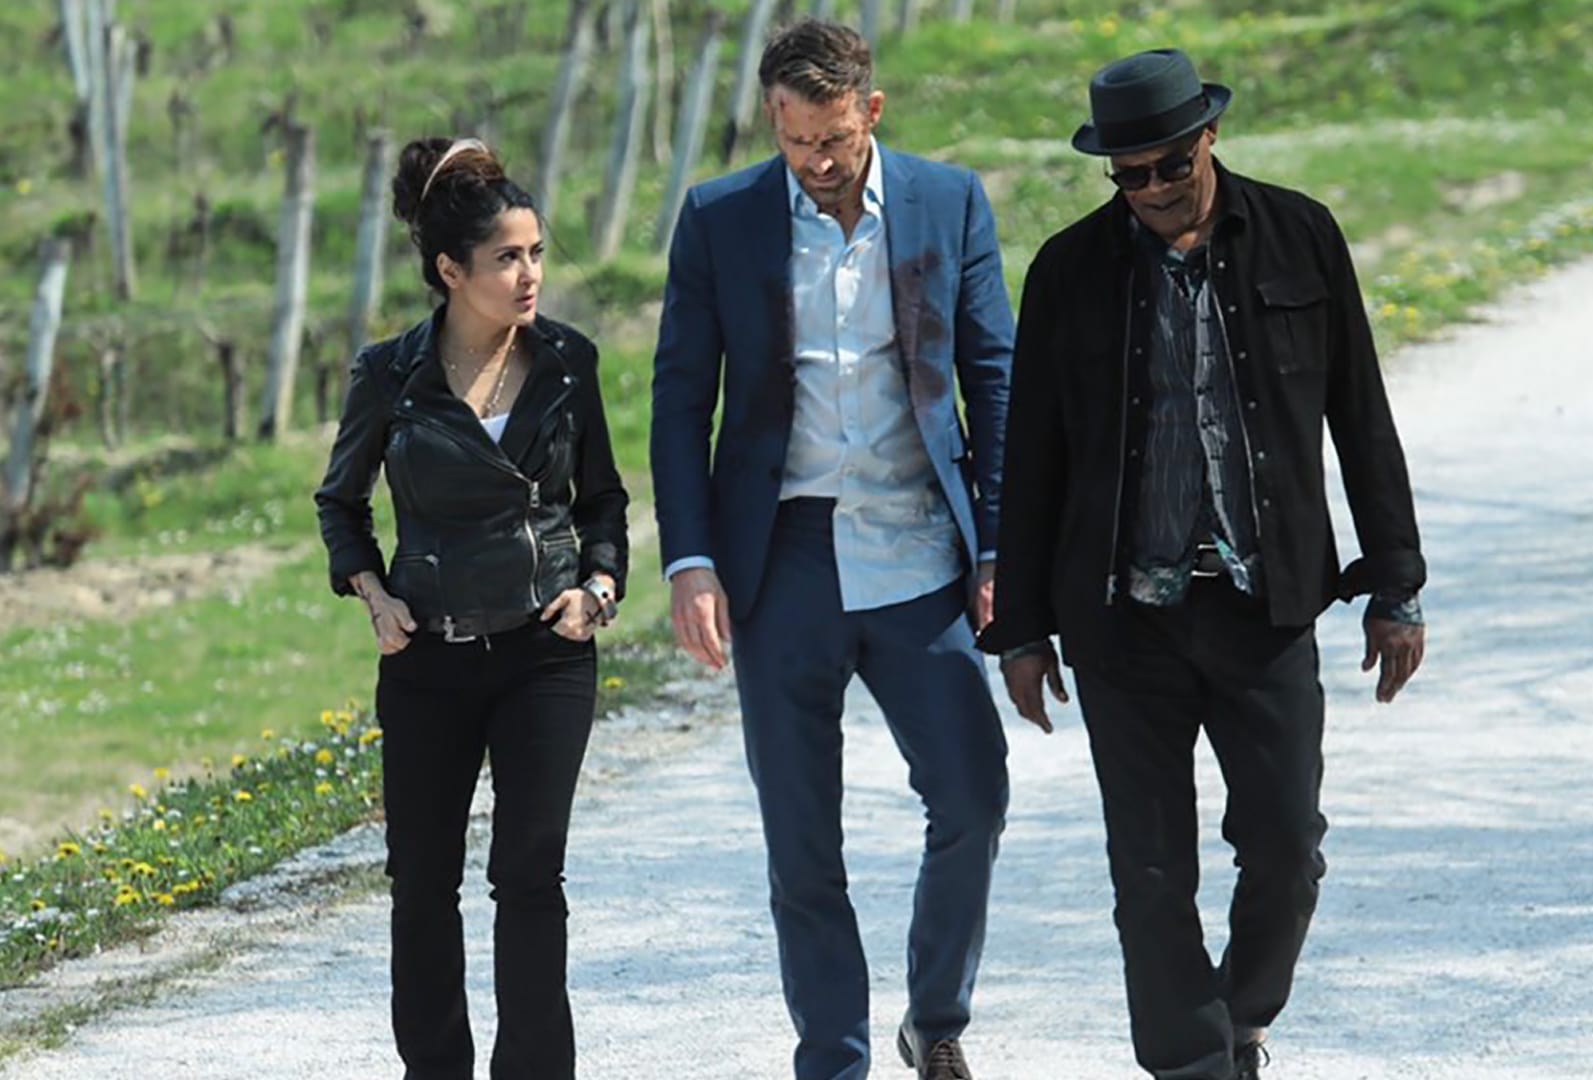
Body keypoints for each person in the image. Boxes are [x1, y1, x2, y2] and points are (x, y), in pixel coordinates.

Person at [978, 49, 1429, 1080]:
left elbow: (1361, 413)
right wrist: (1021, 631)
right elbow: (1033, 458)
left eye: (1168, 167)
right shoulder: (1068, 271)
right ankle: (1192, 1064)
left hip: (1264, 605)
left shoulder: (1301, 235)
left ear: (1209, 138)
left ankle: (1244, 1015)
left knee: (1286, 847)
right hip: (1122, 619)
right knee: (1148, 871)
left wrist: (1394, 582)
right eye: (1127, 174)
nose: (1149, 190)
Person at [650, 19, 1014, 1080]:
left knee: (974, 796)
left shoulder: (949, 202)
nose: (815, 163)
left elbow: (994, 379)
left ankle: (935, 1021)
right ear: (774, 119)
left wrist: (999, 547)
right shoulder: (719, 219)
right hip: (783, 561)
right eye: (796, 141)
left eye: (835, 141)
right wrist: (691, 560)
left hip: (918, 551)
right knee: (803, 842)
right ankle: (834, 1059)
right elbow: (681, 401)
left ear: (871, 112)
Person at [315, 136, 629, 1080]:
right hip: (429, 659)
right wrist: (373, 592)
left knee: (530, 876)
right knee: (422, 883)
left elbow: (603, 500)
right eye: (506, 258)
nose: (530, 274)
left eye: (536, 253)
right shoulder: (389, 375)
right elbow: (340, 503)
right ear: (451, 271)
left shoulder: (569, 361)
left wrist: (599, 587)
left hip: (546, 651)